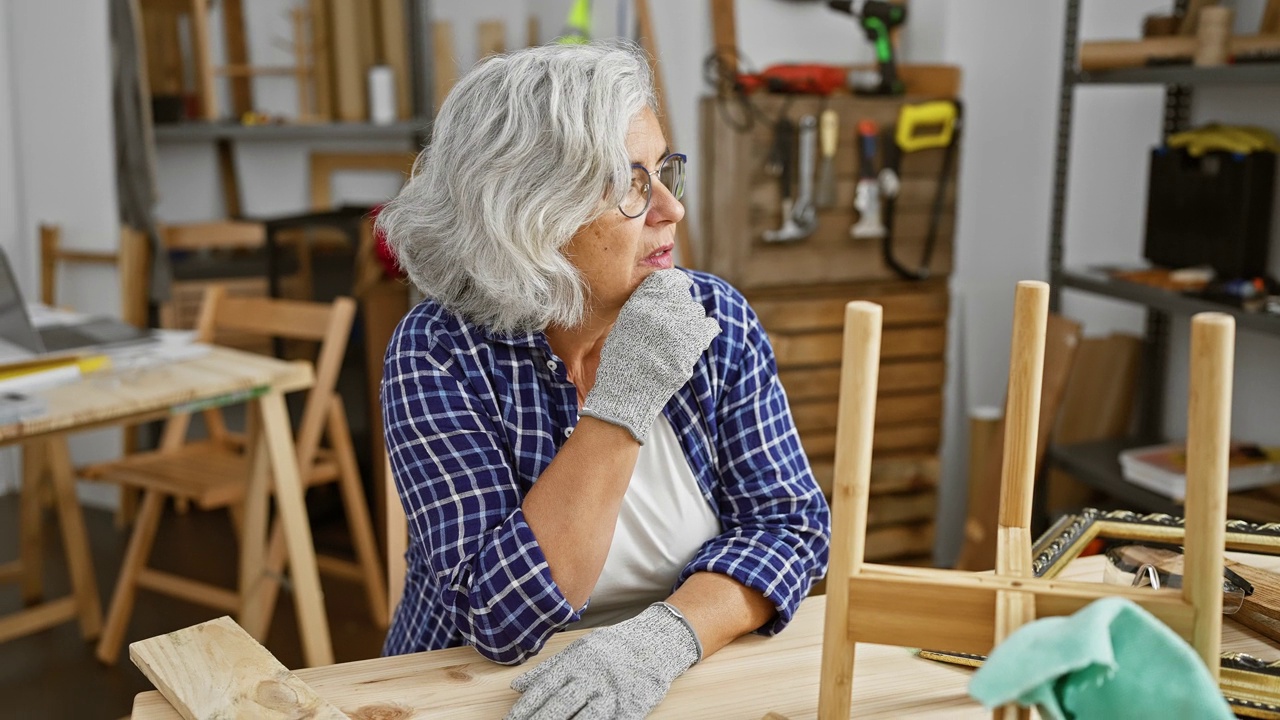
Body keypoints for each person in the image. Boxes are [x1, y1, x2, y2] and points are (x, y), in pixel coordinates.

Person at [377, 40, 830, 720]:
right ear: (528, 215)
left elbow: (790, 529)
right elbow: (497, 620)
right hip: (474, 700)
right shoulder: (439, 352)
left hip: (680, 683)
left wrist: (664, 637)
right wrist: (624, 400)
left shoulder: (713, 318)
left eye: (664, 172)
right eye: (629, 185)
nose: (671, 211)